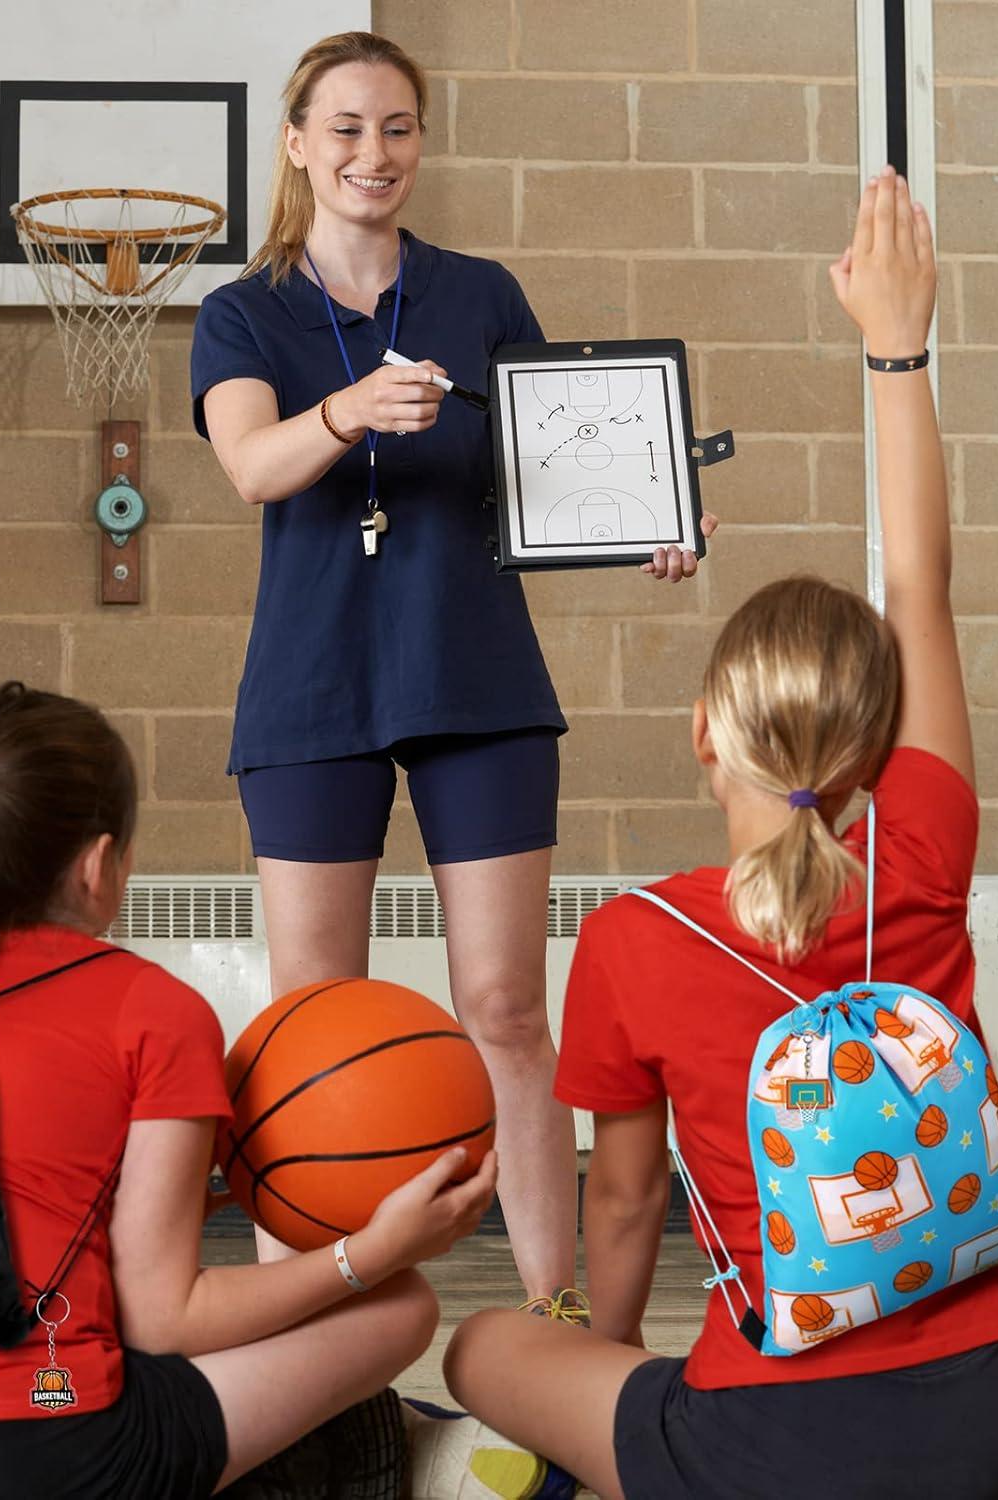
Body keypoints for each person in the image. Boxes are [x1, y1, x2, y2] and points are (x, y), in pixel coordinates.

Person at [443, 170, 998, 1499]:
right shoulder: (923, 846)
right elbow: (922, 583)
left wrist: (619, 1382)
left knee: (480, 1346)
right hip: (985, 1407)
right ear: (878, 752)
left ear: (706, 730)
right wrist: (896, 343)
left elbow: (629, 1208)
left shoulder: (635, 941)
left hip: (765, 1445)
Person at [190, 30, 713, 1305]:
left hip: (476, 681)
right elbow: (253, 467)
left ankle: (556, 1308)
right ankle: (306, 1317)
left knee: (506, 1008)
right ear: (301, 144)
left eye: (400, 129)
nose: (377, 154)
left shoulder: (481, 292)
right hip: (313, 692)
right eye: (351, 129)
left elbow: (542, 469)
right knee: (315, 1027)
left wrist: (639, 515)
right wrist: (349, 408)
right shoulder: (241, 311)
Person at [0, 681, 498, 1500]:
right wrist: (372, 1252)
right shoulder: (149, 1009)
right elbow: (162, 1320)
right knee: (399, 1308)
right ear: (98, 864)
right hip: (27, 1462)